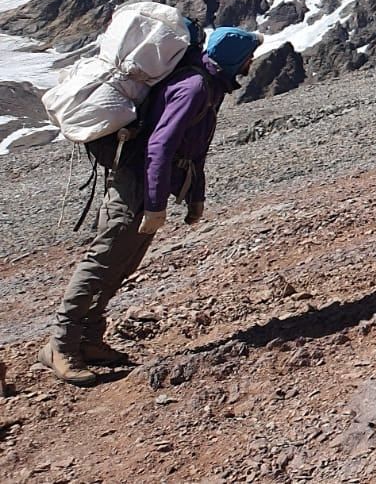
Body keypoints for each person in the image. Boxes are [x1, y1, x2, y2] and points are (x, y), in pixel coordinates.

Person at [41, 26, 262, 385]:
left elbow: (193, 148)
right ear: (235, 59)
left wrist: (196, 197)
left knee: (122, 265)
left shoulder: (209, 85)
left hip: (144, 189)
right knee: (102, 263)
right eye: (249, 55)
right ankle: (60, 346)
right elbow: (160, 147)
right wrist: (155, 206)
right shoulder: (194, 88)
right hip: (135, 187)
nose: (252, 61)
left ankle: (90, 340)